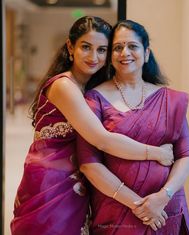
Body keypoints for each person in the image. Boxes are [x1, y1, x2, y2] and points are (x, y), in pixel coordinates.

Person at [10, 16, 174, 235]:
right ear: (71, 46)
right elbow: (101, 140)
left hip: (74, 183)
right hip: (50, 185)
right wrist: (156, 153)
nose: (94, 57)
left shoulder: (89, 89)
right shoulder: (64, 86)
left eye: (102, 49)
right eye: (86, 47)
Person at [77, 19, 189, 235]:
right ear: (110, 56)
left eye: (132, 46)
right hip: (116, 211)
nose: (125, 53)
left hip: (165, 209)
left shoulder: (169, 99)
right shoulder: (94, 99)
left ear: (146, 53)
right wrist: (139, 205)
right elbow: (89, 164)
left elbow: (185, 155)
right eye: (117, 47)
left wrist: (163, 196)